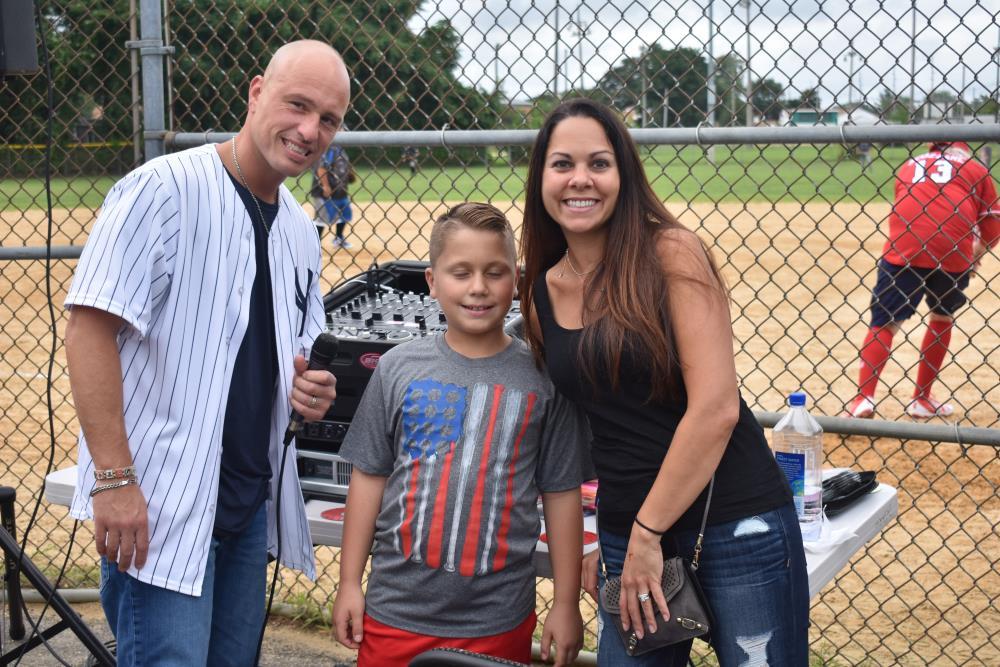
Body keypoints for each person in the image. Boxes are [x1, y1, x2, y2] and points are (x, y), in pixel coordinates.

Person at [63, 40, 347, 666]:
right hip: (158, 509)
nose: (310, 130)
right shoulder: (162, 190)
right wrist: (113, 479)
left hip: (244, 509)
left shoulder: (301, 228)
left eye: (328, 118)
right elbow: (87, 330)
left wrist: (309, 388)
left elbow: (298, 353)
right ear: (255, 93)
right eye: (297, 105)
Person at [518, 98, 809, 666]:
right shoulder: (540, 293)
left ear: (624, 176)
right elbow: (592, 426)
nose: (581, 179)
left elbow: (717, 408)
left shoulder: (671, 253)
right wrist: (608, 541)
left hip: (731, 519)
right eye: (562, 164)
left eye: (599, 163)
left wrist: (649, 533)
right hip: (630, 535)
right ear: (541, 178)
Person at [332, 202, 588, 667]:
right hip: (395, 613)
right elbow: (368, 477)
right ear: (432, 281)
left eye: (495, 272)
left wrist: (566, 604)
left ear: (516, 280)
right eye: (461, 272)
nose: (478, 288)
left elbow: (562, 493)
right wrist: (351, 582)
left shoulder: (545, 379)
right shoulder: (397, 368)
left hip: (496, 619)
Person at [845, 141, 999, 419]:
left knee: (885, 322)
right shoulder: (975, 168)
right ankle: (921, 399)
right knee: (942, 316)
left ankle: (863, 398)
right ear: (963, 149)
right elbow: (993, 225)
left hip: (904, 249)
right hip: (952, 251)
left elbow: (908, 209)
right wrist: (977, 252)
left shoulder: (910, 165)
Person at [311, 141, 355, 249]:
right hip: (325, 193)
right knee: (321, 218)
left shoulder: (340, 149)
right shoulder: (330, 149)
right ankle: (315, 243)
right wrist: (325, 186)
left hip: (340, 191)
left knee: (344, 214)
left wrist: (349, 174)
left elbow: (343, 166)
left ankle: (338, 238)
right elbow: (321, 168)